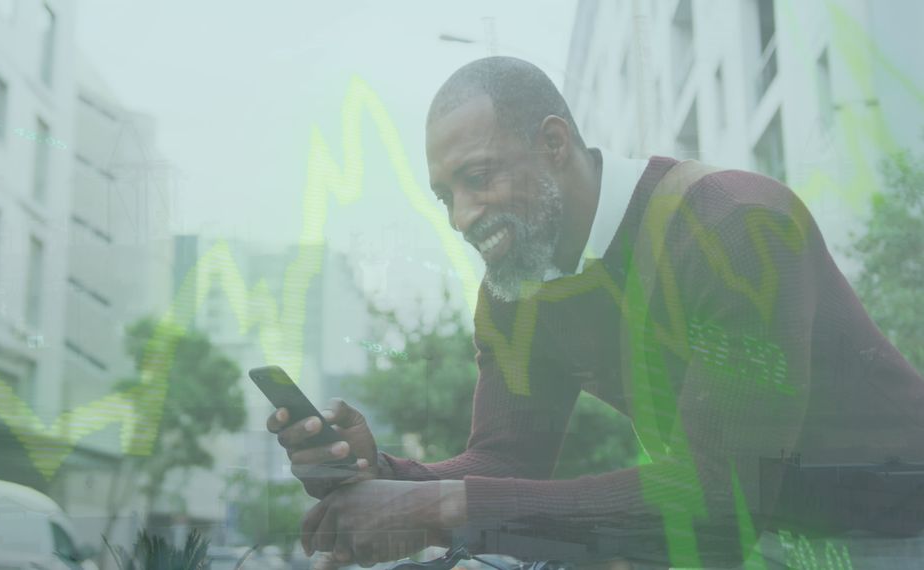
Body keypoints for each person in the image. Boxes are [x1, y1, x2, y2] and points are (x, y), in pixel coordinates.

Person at [267, 57, 924, 568]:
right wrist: (383, 478)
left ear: (555, 143)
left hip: (893, 526)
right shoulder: (512, 293)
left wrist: (438, 505)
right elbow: (505, 464)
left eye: (480, 177)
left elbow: (725, 496)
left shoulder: (734, 228)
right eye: (445, 196)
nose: (463, 218)